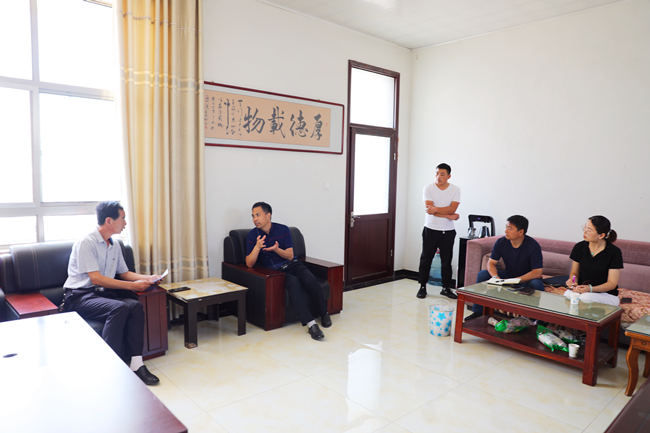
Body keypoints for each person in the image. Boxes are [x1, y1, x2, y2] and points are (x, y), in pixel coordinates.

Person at [62, 201, 162, 385]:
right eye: (122, 218)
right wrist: (132, 286)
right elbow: (96, 279)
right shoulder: (86, 243)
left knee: (134, 306)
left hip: (103, 295)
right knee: (119, 308)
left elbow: (124, 273)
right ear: (109, 221)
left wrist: (149, 278)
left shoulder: (115, 245)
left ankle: (137, 364)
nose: (125, 223)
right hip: (80, 296)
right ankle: (111, 369)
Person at [245, 202, 331, 340]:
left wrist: (276, 249)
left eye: (258, 215)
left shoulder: (283, 229)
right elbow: (249, 263)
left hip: (293, 265)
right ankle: (311, 324)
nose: (255, 219)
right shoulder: (252, 235)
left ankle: (324, 313)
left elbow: (290, 255)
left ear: (268, 215)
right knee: (294, 283)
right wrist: (257, 247)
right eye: (253, 216)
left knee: (310, 279)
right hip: (277, 273)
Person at [465, 215, 544, 321]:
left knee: (537, 284)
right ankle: (478, 311)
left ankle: (536, 318)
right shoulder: (501, 242)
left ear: (520, 232)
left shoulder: (533, 246)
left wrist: (516, 280)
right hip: (508, 276)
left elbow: (537, 272)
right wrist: (496, 277)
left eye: (510, 228)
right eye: (506, 227)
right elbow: (491, 263)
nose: (506, 231)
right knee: (483, 274)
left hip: (526, 280)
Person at [417, 163, 461, 300]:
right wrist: (449, 215)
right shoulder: (428, 188)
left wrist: (437, 209)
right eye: (437, 173)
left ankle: (446, 288)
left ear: (449, 176)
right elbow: (429, 210)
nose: (438, 176)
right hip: (431, 229)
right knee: (426, 259)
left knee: (446, 261)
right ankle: (422, 286)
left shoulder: (455, 189)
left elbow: (452, 209)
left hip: (448, 231)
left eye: (442, 174)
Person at [563, 216, 622, 306]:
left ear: (601, 235)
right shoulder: (579, 247)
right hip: (583, 291)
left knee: (586, 298)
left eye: (589, 230)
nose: (584, 232)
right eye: (585, 228)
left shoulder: (614, 252)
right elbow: (574, 272)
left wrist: (590, 289)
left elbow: (612, 283)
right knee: (567, 295)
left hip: (606, 294)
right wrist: (573, 281)